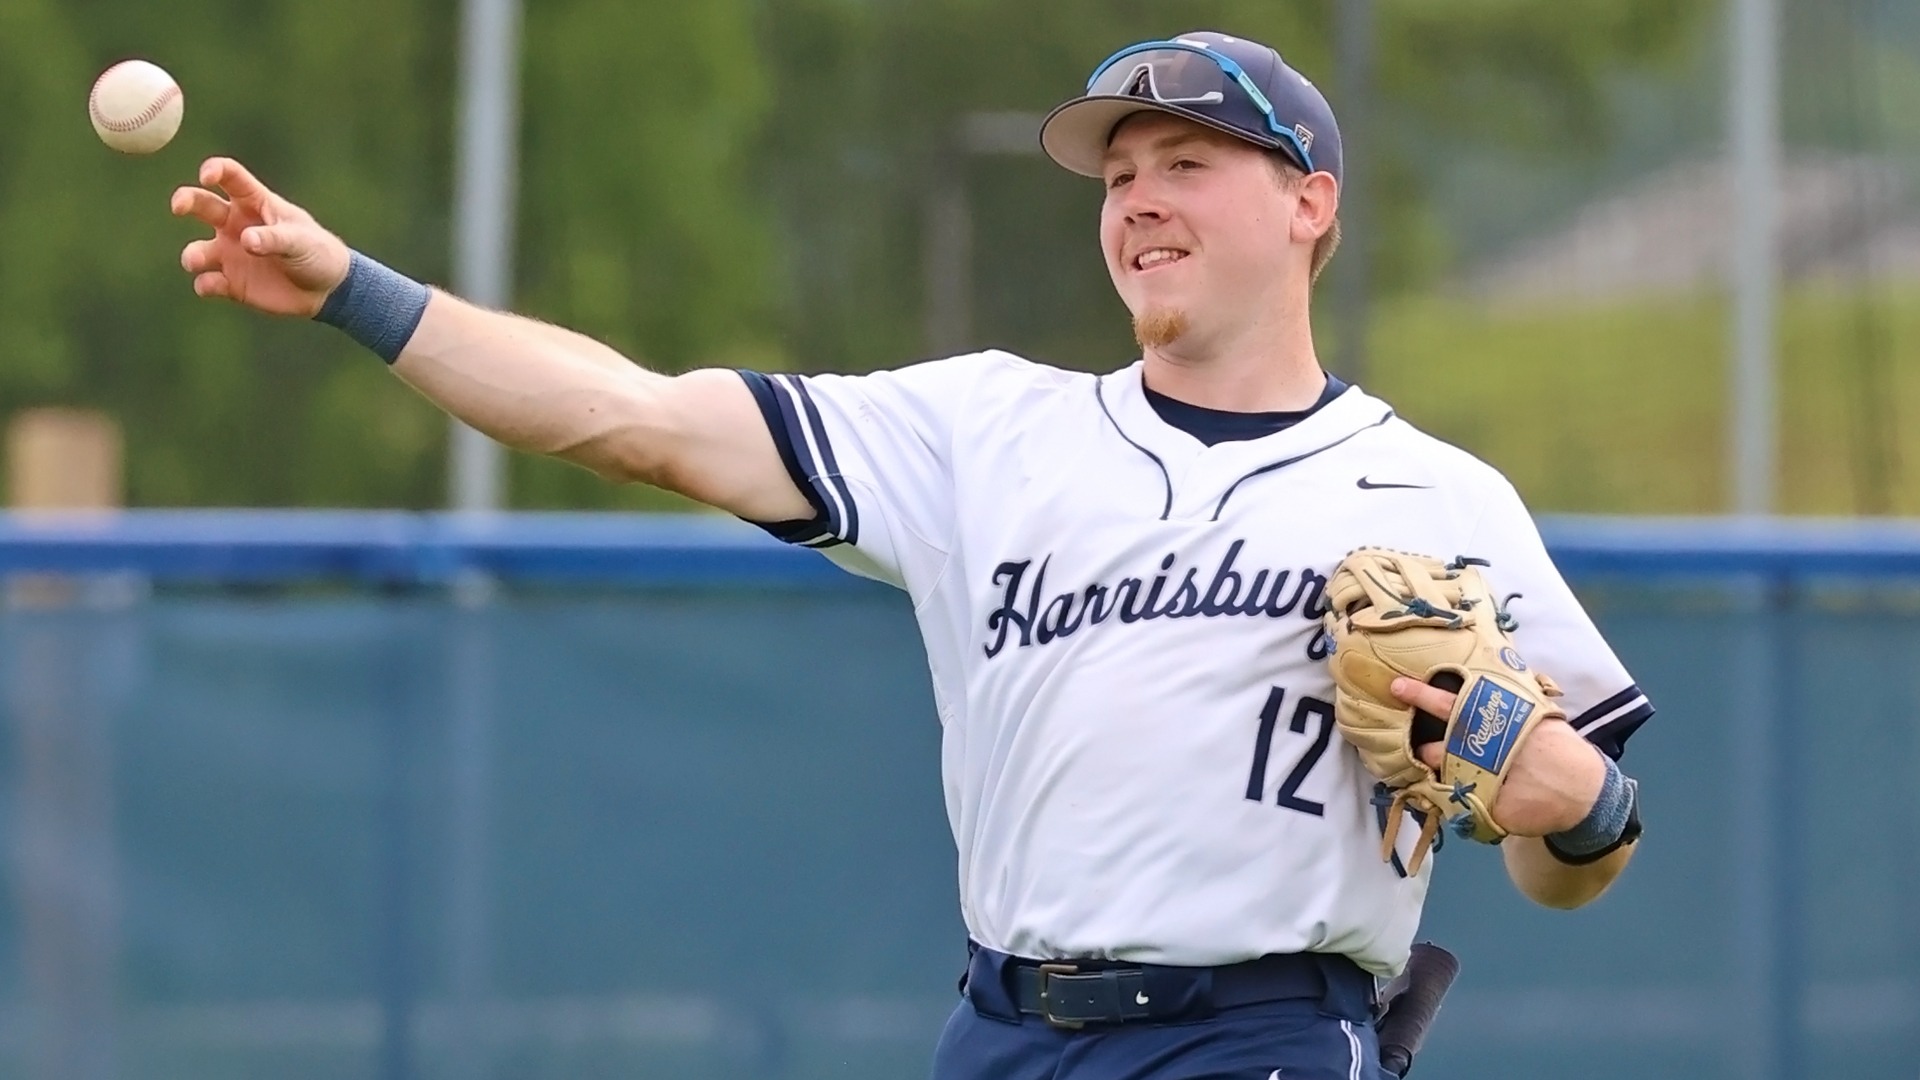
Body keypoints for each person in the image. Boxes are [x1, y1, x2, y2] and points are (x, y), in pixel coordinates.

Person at [170, 29, 1651, 1080]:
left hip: (1256, 1036)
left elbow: (1567, 857)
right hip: (1004, 1035)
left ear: (1309, 204)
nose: (1136, 198)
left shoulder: (1432, 493)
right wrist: (354, 292)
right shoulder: (980, 433)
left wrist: (1579, 812)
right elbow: (633, 419)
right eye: (1117, 174)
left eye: (1187, 161)